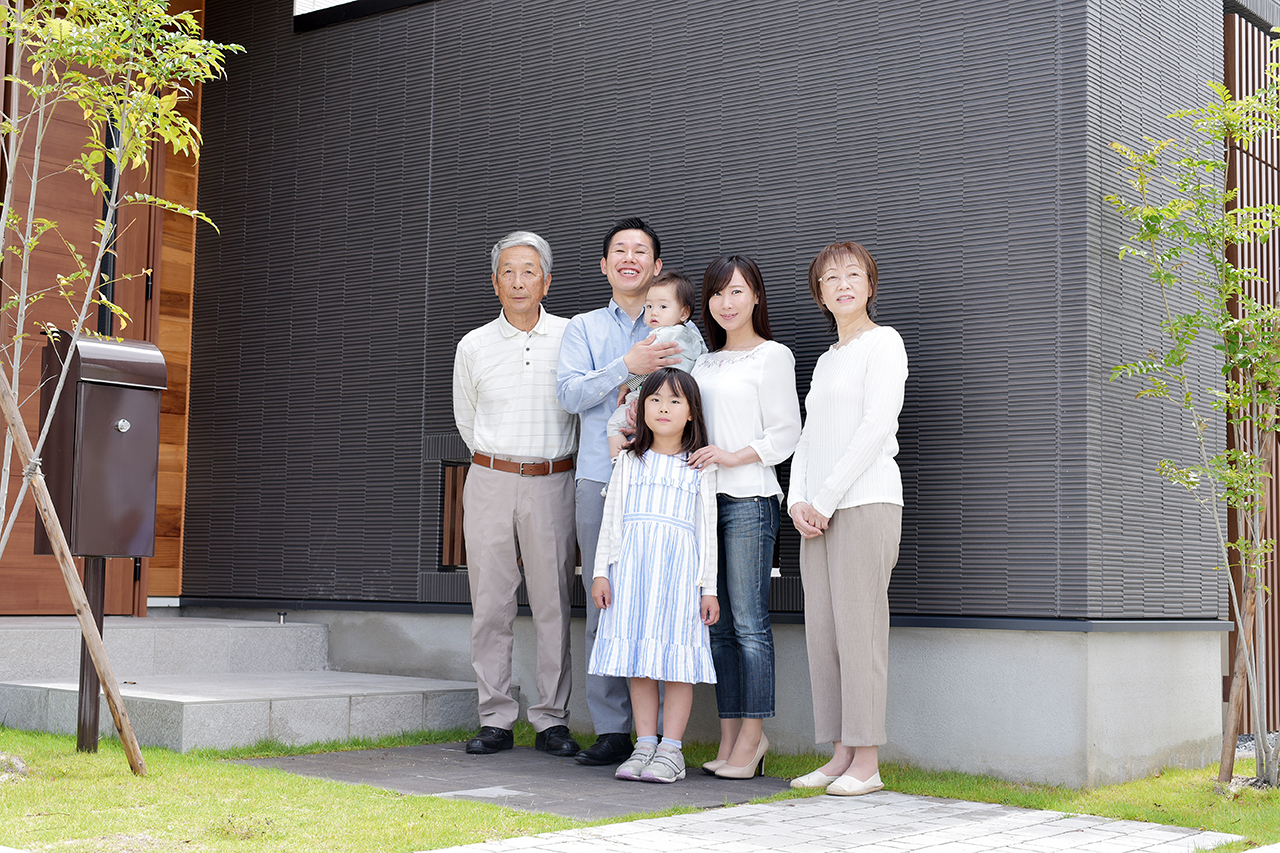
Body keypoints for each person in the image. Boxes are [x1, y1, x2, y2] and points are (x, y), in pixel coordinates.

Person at [557, 217, 693, 766]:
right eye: (619, 251)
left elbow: (696, 389)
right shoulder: (584, 329)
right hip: (601, 479)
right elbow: (568, 394)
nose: (630, 259)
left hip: (666, 484)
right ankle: (615, 729)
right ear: (605, 263)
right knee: (605, 598)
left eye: (641, 251)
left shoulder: (680, 326)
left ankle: (660, 738)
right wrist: (625, 366)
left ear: (657, 266)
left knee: (666, 602)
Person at [451, 230, 580, 758]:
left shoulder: (574, 336)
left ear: (547, 280)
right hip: (488, 478)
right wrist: (500, 464)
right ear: (495, 282)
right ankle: (495, 718)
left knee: (553, 601)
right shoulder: (473, 345)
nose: (519, 280)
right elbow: (467, 419)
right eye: (509, 271)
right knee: (490, 604)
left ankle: (551, 719)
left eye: (530, 270)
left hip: (554, 479)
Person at [787, 241, 907, 797]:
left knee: (861, 633)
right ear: (820, 292)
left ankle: (868, 762)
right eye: (830, 278)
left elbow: (877, 427)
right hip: (819, 513)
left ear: (870, 284)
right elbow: (810, 437)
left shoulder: (884, 344)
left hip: (864, 503)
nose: (842, 285)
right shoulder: (828, 358)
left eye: (852, 275)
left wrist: (826, 497)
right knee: (826, 634)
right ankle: (838, 754)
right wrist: (798, 500)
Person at [688, 255, 801, 779]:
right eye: (717, 293)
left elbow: (787, 433)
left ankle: (754, 739)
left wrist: (732, 456)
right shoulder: (703, 362)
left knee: (751, 625)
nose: (726, 303)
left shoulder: (772, 355)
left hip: (750, 502)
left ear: (756, 296)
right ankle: (730, 737)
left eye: (737, 292)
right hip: (702, 504)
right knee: (719, 627)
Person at [590, 368, 719, 783]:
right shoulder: (628, 459)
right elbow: (611, 521)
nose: (664, 408)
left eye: (675, 401)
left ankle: (671, 750)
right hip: (631, 572)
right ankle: (644, 743)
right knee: (639, 661)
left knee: (676, 661)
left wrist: (709, 588)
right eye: (655, 400)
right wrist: (600, 573)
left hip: (681, 576)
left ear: (691, 413)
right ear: (641, 408)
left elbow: (707, 530)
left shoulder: (700, 466)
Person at [605, 270, 707, 457]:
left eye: (662, 307)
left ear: (684, 312)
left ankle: (619, 467)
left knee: (614, 426)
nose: (654, 312)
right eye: (649, 306)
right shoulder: (695, 338)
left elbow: (647, 368)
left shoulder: (657, 336)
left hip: (651, 397)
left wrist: (627, 384)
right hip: (678, 404)